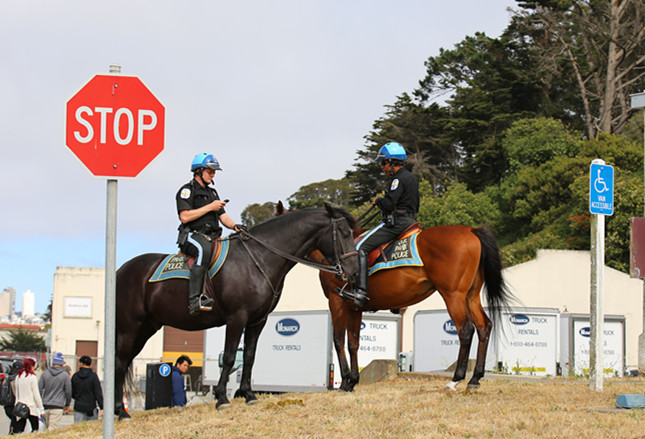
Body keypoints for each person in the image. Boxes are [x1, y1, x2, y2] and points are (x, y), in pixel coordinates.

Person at [341, 142, 420, 307]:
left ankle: (360, 292)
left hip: (398, 223)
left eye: (384, 163)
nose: (382, 167)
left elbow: (390, 204)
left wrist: (379, 201)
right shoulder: (411, 177)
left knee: (359, 247)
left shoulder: (397, 180)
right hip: (411, 220)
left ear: (392, 162)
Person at [176, 153, 245, 316]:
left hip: (214, 236)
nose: (213, 175)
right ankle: (195, 300)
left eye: (214, 172)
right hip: (193, 235)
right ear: (198, 171)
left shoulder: (213, 193)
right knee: (203, 251)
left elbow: (223, 217)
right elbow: (184, 216)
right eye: (210, 171)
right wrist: (210, 207)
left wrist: (235, 226)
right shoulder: (187, 190)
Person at [38, 352, 71, 430]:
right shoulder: (65, 375)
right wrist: (67, 404)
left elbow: (39, 389)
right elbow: (68, 391)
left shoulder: (45, 374)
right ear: (62, 364)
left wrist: (39, 403)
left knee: (45, 427)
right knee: (52, 428)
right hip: (58, 405)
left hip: (45, 405)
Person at [12, 358, 44, 434]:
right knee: (35, 429)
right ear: (31, 366)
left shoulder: (18, 377)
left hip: (20, 406)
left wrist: (16, 405)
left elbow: (17, 393)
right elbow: (36, 395)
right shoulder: (32, 377)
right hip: (30, 407)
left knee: (19, 430)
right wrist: (41, 409)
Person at [71, 356, 103, 423]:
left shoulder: (75, 376)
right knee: (91, 429)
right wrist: (101, 407)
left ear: (81, 363)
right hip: (91, 407)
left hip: (78, 406)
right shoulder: (93, 376)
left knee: (78, 429)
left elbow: (71, 391)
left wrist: (76, 397)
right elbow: (98, 392)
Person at [3, 359, 23, 435]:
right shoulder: (17, 379)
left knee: (14, 422)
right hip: (16, 405)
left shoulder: (7, 378)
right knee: (18, 424)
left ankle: (11, 434)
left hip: (7, 405)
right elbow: (17, 393)